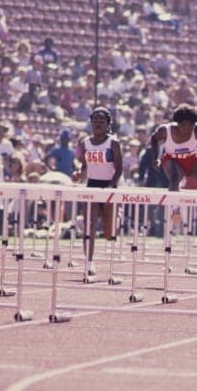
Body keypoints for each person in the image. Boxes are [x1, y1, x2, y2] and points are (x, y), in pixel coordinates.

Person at [76, 107, 123, 275]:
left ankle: (117, 216)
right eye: (95, 122)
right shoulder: (85, 143)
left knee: (109, 233)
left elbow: (119, 168)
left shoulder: (113, 143)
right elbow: (83, 165)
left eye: (101, 122)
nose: (97, 125)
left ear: (108, 124)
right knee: (89, 226)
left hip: (109, 186)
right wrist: (78, 175)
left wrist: (112, 185)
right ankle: (89, 262)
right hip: (92, 185)